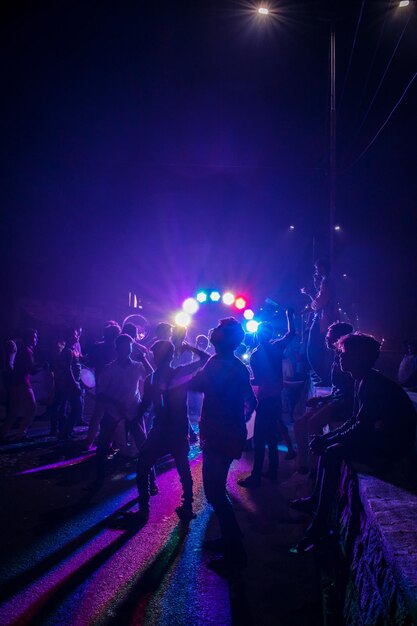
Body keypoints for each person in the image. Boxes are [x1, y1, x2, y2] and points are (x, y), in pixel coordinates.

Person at [290, 333, 417, 553]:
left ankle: (318, 526)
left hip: (391, 448)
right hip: (379, 438)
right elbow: (355, 421)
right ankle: (316, 504)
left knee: (332, 453)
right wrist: (326, 438)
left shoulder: (372, 384)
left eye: (345, 354)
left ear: (361, 357)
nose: (340, 358)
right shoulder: (364, 380)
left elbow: (360, 427)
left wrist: (329, 440)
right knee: (329, 447)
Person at [188, 318, 257, 572]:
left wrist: (173, 376)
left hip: (219, 435)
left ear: (224, 339)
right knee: (217, 491)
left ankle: (236, 553)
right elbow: (251, 401)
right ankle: (231, 540)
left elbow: (195, 385)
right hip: (226, 434)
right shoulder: (233, 364)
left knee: (214, 491)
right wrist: (242, 423)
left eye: (217, 330)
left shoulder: (218, 365)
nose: (212, 331)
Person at [128, 339, 209, 525]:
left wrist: (134, 421)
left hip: (164, 428)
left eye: (158, 354)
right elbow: (205, 357)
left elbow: (145, 405)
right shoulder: (178, 373)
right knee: (182, 467)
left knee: (145, 465)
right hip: (176, 428)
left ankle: (144, 510)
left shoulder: (153, 378)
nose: (158, 358)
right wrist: (189, 346)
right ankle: (186, 507)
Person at [238, 308, 296, 488]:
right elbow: (291, 333)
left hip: (265, 399)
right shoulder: (276, 347)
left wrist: (243, 378)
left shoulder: (256, 354)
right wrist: (289, 316)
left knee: (261, 437)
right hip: (275, 397)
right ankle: (272, 472)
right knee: (270, 437)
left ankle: (256, 476)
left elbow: (259, 380)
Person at [91, 334, 154, 488]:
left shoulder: (137, 366)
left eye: (129, 347)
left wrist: (144, 359)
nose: (127, 349)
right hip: (113, 411)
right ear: (117, 348)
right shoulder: (109, 369)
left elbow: (153, 377)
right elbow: (101, 393)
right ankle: (99, 477)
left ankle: (152, 481)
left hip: (133, 409)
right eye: (124, 347)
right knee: (103, 444)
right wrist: (115, 403)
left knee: (143, 445)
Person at [294, 322, 354, 475]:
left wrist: (325, 400)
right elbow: (338, 390)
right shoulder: (337, 356)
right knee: (299, 425)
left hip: (344, 405)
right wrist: (323, 399)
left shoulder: (349, 359)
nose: (326, 338)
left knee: (313, 423)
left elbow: (347, 393)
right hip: (335, 400)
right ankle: (303, 464)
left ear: (340, 337)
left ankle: (317, 469)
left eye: (330, 335)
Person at [85, 322, 121, 447]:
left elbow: (90, 363)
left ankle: (89, 441)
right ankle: (111, 442)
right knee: (113, 415)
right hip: (115, 386)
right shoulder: (118, 350)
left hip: (101, 385)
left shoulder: (97, 348)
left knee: (97, 414)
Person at [302, 258, 337, 385]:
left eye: (317, 267)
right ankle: (323, 375)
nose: (316, 270)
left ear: (322, 268)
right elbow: (318, 301)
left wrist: (310, 293)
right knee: (319, 350)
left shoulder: (326, 282)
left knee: (312, 349)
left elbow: (318, 303)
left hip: (323, 320)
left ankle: (325, 377)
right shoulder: (325, 282)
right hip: (322, 319)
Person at [1, 329, 38, 441]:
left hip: (16, 383)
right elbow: (30, 369)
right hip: (23, 383)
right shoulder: (27, 351)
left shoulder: (21, 349)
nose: (36, 339)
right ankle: (21, 433)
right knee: (32, 407)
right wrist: (41, 367)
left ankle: (3, 434)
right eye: (34, 337)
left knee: (13, 412)